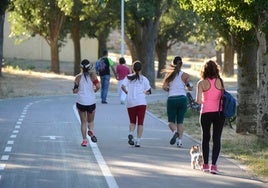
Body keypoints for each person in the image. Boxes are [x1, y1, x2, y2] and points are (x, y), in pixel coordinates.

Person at [195, 60, 225, 174]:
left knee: (205, 138)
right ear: (216, 69)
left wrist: (205, 100)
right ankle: (214, 166)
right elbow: (223, 96)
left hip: (206, 112)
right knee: (217, 138)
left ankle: (205, 165)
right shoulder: (220, 81)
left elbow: (198, 100)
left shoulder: (201, 83)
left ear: (204, 70)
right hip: (219, 112)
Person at [162, 56, 193, 148]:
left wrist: (169, 89)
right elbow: (190, 87)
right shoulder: (185, 75)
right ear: (181, 64)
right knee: (180, 122)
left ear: (173, 64)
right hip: (182, 99)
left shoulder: (168, 75)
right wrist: (188, 85)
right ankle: (179, 142)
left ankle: (175, 132)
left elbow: (164, 87)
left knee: (171, 122)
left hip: (172, 99)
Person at [121, 61, 151, 147]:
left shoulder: (128, 78)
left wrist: (127, 92)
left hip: (131, 102)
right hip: (141, 102)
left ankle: (131, 133)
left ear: (132, 68)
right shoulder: (144, 79)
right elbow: (149, 91)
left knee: (132, 121)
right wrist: (145, 93)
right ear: (141, 69)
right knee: (140, 122)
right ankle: (138, 141)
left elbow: (122, 86)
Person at [73, 59, 100, 147]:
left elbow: (75, 90)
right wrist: (95, 90)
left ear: (81, 67)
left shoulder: (77, 77)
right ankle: (91, 131)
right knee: (91, 121)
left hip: (81, 101)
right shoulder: (93, 76)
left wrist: (77, 89)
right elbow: (98, 86)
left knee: (83, 122)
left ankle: (84, 140)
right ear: (89, 67)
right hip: (91, 101)